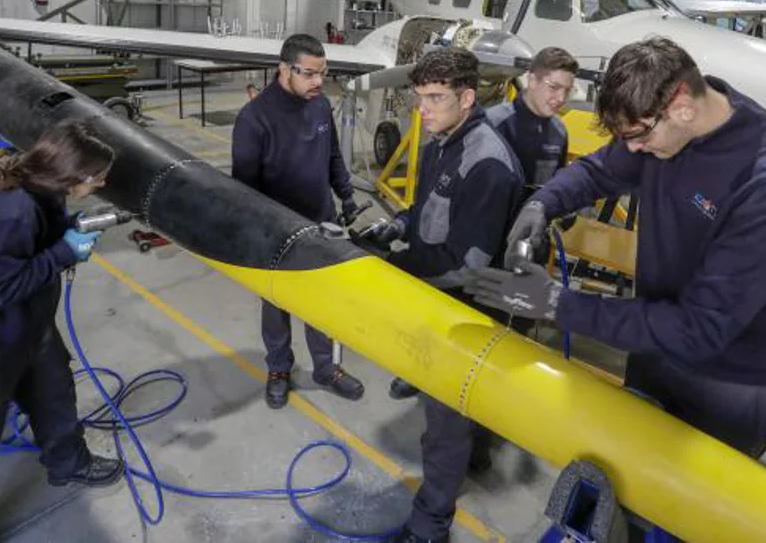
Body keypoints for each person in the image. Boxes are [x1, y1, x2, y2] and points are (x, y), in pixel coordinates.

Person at [467, 36, 766, 460]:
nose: (633, 149)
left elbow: (701, 328)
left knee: (690, 514)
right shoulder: (662, 125)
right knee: (624, 482)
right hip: (654, 346)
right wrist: (543, 203)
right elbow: (600, 170)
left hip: (731, 382)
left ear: (683, 108)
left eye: (637, 135)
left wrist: (559, 304)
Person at [0, 121, 123, 543]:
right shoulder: (13, 210)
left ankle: (69, 463)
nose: (104, 182)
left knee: (55, 397)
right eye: (100, 176)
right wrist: (64, 252)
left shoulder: (44, 190)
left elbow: (35, 250)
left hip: (27, 330)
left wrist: (70, 230)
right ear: (75, 175)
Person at [361, 49, 522, 543]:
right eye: (419, 97)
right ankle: (475, 454)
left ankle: (429, 527)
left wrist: (389, 265)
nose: (423, 109)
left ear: (467, 98)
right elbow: (422, 208)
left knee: (443, 426)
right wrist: (394, 226)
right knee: (459, 415)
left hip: (468, 309)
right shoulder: (438, 143)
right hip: (437, 296)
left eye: (434, 98)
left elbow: (465, 264)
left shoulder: (489, 165)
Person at [232, 33, 365, 409]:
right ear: (284, 69)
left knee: (322, 302)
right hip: (276, 233)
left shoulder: (320, 105)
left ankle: (326, 368)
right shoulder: (254, 119)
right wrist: (255, 237)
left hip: (321, 223)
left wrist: (347, 196)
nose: (318, 82)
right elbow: (243, 190)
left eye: (322, 73)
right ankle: (278, 368)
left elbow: (333, 155)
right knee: (276, 305)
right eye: (309, 74)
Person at [485, 46, 576, 203]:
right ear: (532, 80)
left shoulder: (559, 132)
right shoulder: (493, 125)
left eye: (567, 91)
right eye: (554, 87)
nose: (561, 98)